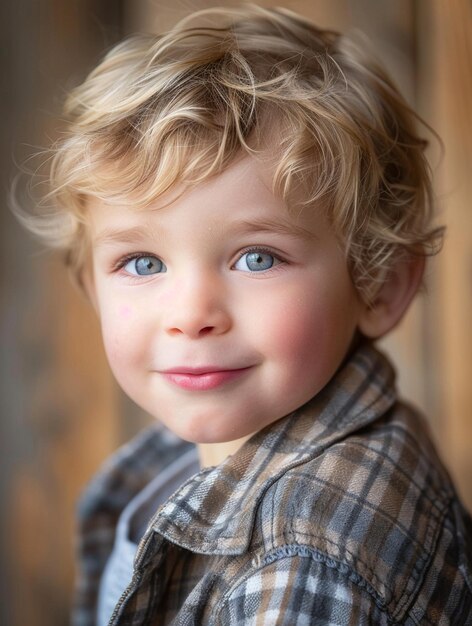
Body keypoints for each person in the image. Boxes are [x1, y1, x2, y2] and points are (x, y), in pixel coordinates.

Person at [15, 5, 472, 625]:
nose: (191, 315)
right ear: (88, 286)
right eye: (144, 263)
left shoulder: (304, 561)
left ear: (379, 286)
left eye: (257, 257)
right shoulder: (207, 458)